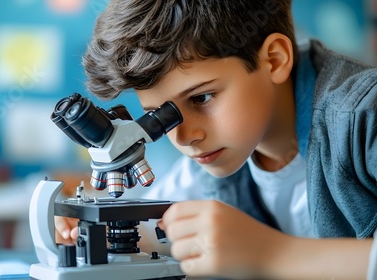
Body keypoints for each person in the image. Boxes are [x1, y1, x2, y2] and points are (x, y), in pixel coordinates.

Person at [55, 0, 377, 279]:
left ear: (274, 59)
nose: (185, 136)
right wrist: (85, 234)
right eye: (158, 115)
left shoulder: (364, 114)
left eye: (202, 97)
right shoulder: (211, 161)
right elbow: (148, 232)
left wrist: (270, 254)